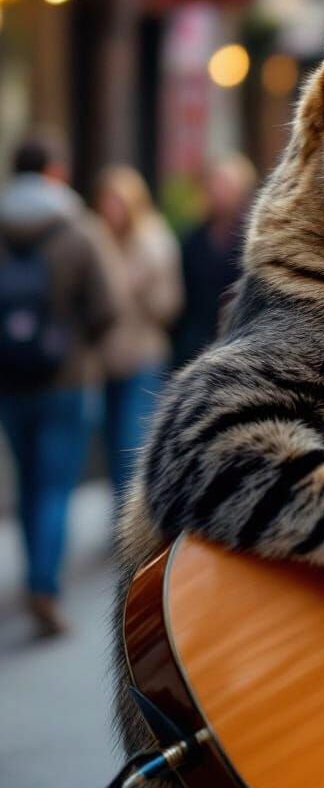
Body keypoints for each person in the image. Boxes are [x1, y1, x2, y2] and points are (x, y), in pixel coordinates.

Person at [0, 133, 116, 636]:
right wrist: (75, 342)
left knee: (27, 481)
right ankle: (45, 586)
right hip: (65, 380)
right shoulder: (78, 228)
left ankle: (32, 578)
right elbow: (106, 308)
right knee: (54, 487)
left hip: (10, 379)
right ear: (53, 172)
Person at [94, 165, 182, 502]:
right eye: (107, 201)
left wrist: (142, 284)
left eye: (118, 201)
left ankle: (135, 516)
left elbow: (169, 305)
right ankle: (121, 518)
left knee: (133, 441)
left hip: (143, 355)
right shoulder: (98, 240)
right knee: (112, 444)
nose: (111, 209)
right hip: (105, 358)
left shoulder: (153, 241)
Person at [173, 154, 256, 367]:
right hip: (196, 345)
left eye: (226, 184)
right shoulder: (193, 239)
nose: (219, 191)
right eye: (215, 183)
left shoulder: (253, 238)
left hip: (241, 342)